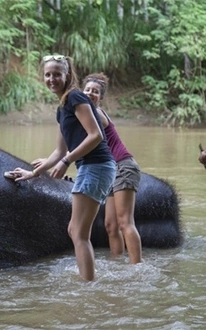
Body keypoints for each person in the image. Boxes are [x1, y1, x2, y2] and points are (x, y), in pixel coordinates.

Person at [5, 55, 116, 281]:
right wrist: (33, 173)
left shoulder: (76, 96)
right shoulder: (62, 107)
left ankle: (88, 285)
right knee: (75, 231)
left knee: (78, 232)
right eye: (48, 74)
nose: (52, 78)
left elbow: (96, 136)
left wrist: (67, 161)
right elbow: (58, 151)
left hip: (97, 166)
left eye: (57, 74)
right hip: (91, 167)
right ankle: (89, 278)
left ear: (67, 75)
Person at [82, 72, 142, 264]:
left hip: (124, 166)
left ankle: (137, 267)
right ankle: (118, 263)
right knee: (110, 225)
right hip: (109, 170)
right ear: (82, 92)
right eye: (88, 90)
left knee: (125, 222)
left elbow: (88, 142)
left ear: (101, 97)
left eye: (96, 91)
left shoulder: (96, 113)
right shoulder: (86, 114)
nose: (91, 93)